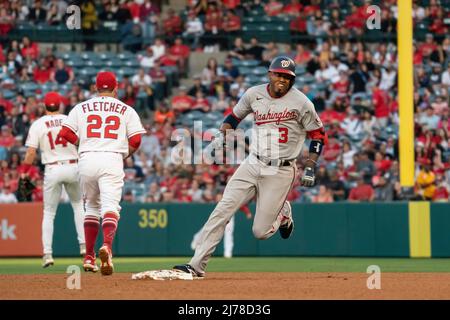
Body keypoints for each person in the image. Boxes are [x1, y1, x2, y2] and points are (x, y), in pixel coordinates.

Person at [173, 56, 327, 278]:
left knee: (260, 232)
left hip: (281, 168)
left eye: (287, 76)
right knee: (222, 210)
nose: (283, 79)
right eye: (279, 74)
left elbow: (318, 134)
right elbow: (234, 117)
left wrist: (311, 164)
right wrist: (223, 132)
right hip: (253, 162)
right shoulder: (254, 93)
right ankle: (196, 265)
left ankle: (283, 214)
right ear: (270, 74)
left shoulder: (302, 102)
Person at [58, 72, 146, 275]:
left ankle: (89, 257)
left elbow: (65, 133)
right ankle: (107, 246)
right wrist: (126, 155)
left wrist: (83, 142)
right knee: (110, 207)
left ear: (96, 88)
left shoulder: (81, 107)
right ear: (116, 88)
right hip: (112, 157)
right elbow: (136, 141)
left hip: (87, 158)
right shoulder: (126, 109)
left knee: (91, 208)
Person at [23, 92, 86, 268]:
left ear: (44, 106)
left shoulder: (38, 124)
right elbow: (83, 142)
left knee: (49, 214)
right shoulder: (70, 119)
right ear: (60, 105)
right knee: (78, 206)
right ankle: (84, 247)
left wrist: (24, 170)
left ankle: (48, 254)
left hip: (53, 167)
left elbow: (30, 153)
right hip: (74, 166)